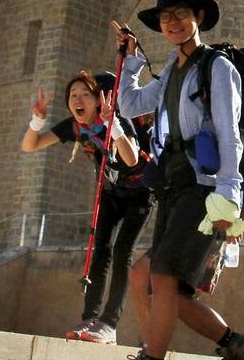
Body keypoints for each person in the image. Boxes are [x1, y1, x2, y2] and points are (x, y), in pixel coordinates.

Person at [94, 0, 244, 360]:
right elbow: (131, 104)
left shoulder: (217, 66)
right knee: (150, 280)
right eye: (166, 17)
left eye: (181, 13)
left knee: (162, 278)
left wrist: (229, 197)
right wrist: (132, 59)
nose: (173, 22)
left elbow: (230, 133)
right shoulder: (173, 70)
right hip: (175, 187)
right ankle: (240, 348)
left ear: (198, 18)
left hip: (207, 186)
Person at [21, 71, 150, 344]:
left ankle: (109, 324)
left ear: (99, 99)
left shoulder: (118, 121)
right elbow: (30, 145)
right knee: (99, 251)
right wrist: (38, 119)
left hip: (139, 193)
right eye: (73, 96)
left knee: (122, 252)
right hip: (110, 193)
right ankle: (89, 319)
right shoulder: (76, 127)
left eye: (84, 95)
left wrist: (112, 125)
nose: (78, 100)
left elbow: (130, 160)